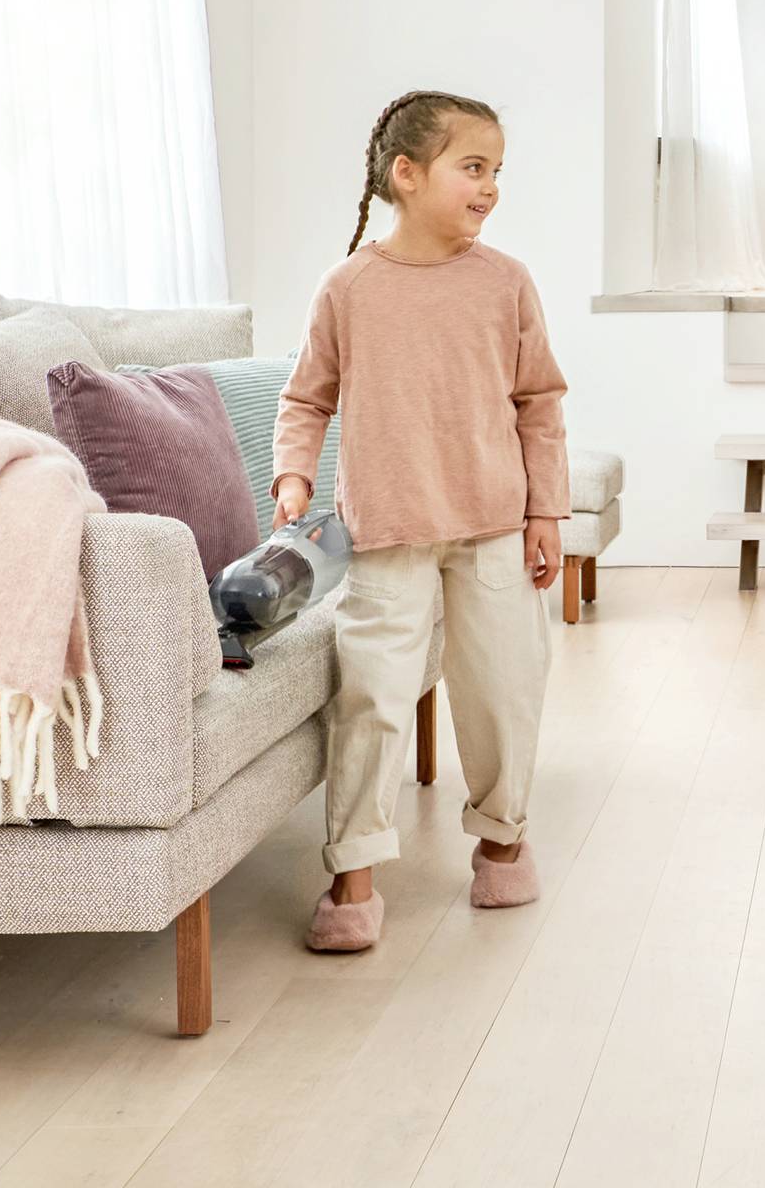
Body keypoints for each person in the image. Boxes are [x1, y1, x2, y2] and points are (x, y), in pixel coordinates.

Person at [274, 90, 569, 950]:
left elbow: (539, 403)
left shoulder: (506, 284)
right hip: (385, 533)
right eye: (473, 168)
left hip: (491, 527)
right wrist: (294, 477)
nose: (490, 188)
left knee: (505, 686)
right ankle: (353, 873)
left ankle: (504, 840)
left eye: (497, 172)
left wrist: (546, 508)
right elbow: (305, 397)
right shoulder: (350, 288)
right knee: (371, 697)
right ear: (407, 175)